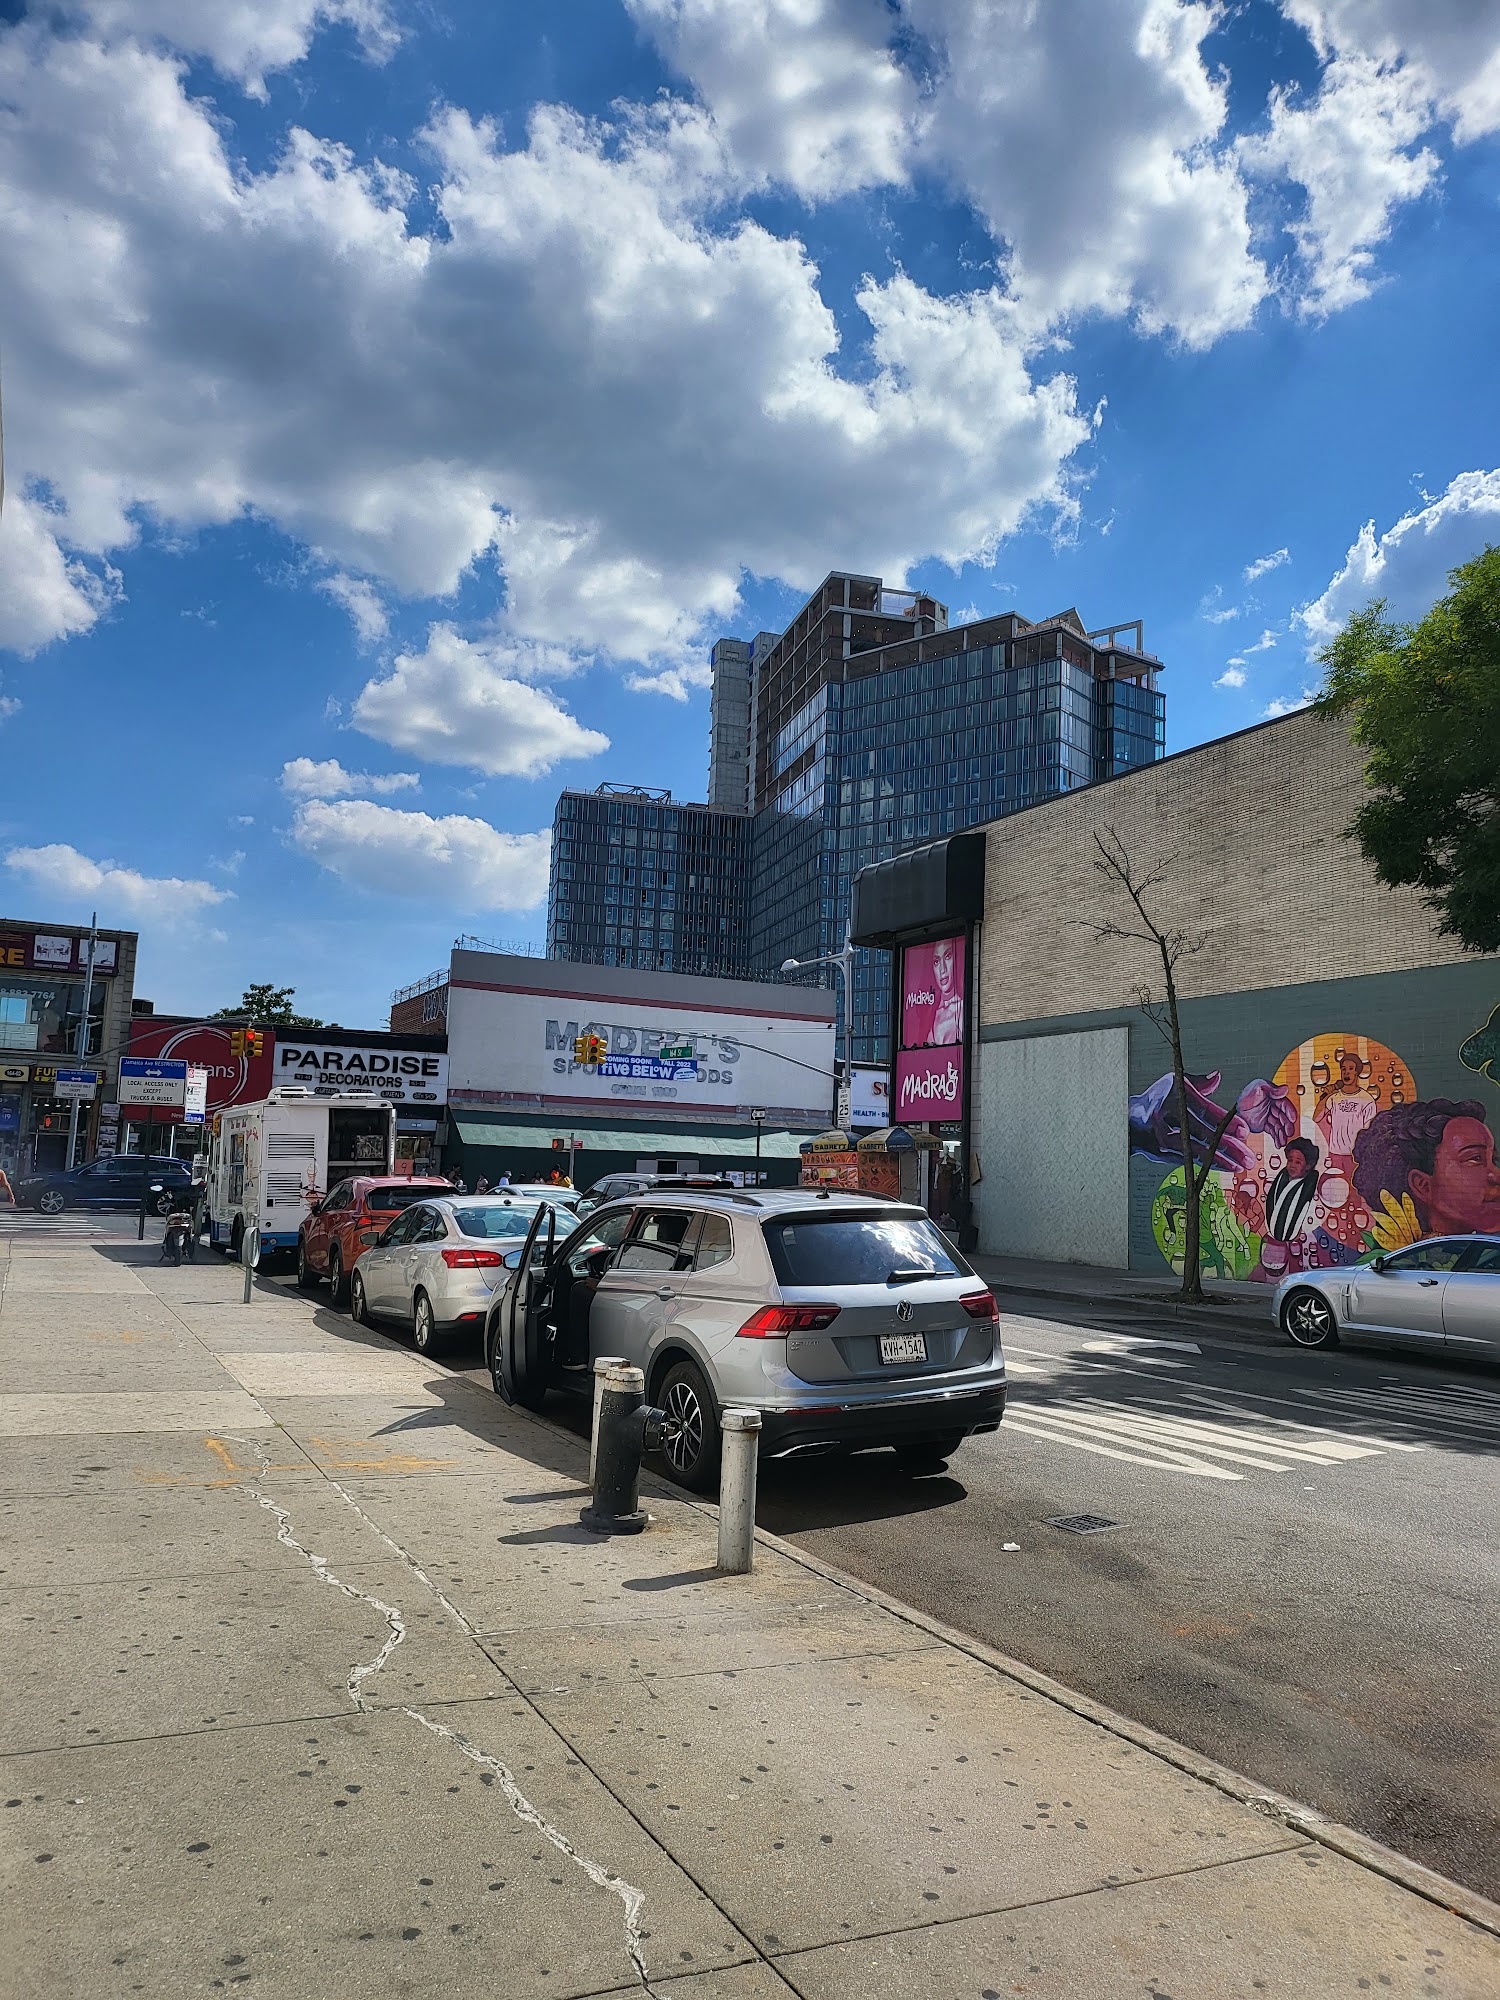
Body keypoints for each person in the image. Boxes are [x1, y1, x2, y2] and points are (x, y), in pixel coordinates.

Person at [1353, 1098, 1500, 1245]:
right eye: (1475, 1158)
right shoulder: (1413, 1256)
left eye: (1494, 1159)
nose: (1496, 1175)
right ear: (1423, 1185)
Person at [1264, 1136, 1320, 1243]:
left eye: (1298, 1162)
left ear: (1308, 1166)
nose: (1292, 1165)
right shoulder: (1282, 1178)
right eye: (1290, 1160)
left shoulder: (1307, 1187)